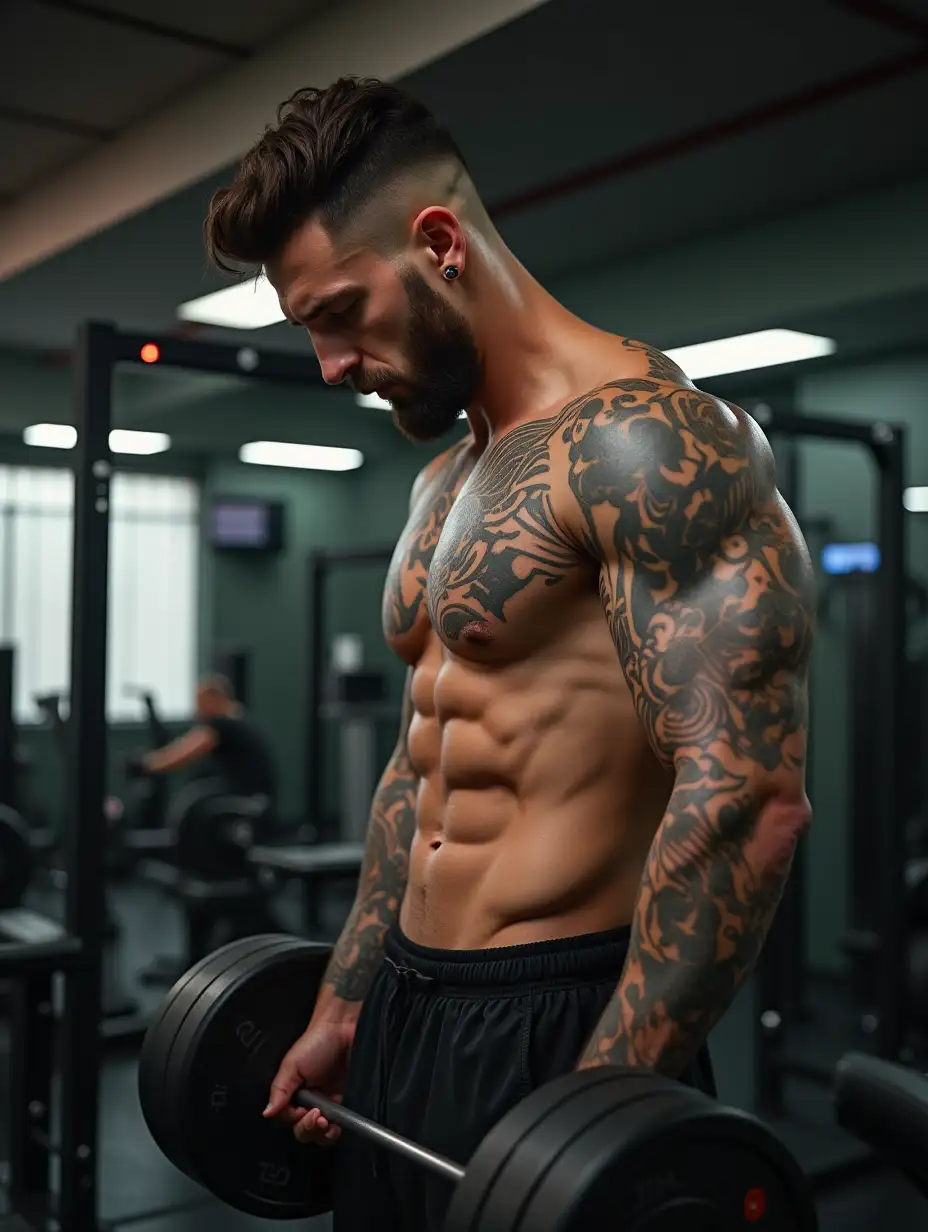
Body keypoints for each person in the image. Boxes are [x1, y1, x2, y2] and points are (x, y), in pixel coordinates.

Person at [203, 78, 815, 1230]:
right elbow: (415, 772)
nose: (331, 363)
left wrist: (595, 1104)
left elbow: (745, 797)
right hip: (408, 1001)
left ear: (437, 244)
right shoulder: (443, 480)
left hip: (567, 1022)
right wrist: (342, 1000)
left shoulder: (649, 442)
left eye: (340, 310)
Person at [126, 674, 276, 804]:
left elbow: (182, 753)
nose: (197, 710)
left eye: (200, 702)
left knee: (192, 800)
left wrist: (147, 764)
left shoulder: (221, 724)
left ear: (213, 699)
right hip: (254, 793)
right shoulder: (237, 719)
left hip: (246, 797)